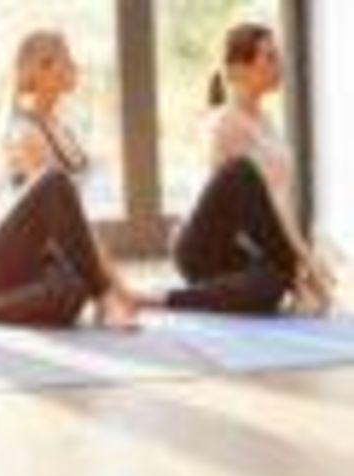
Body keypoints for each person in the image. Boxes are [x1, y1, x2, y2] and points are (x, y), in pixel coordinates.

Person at [0, 30, 137, 329]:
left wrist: (116, 286)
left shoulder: (60, 127)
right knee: (54, 180)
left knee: (72, 294)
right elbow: (64, 213)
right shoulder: (26, 132)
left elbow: (76, 226)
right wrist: (113, 289)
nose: (76, 67)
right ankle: (104, 297)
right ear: (41, 69)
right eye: (66, 60)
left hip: (39, 260)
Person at [136, 23, 334, 315]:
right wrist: (304, 262)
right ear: (240, 69)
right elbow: (232, 206)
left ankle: (168, 298)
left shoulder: (267, 122)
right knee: (242, 171)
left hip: (241, 247)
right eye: (269, 57)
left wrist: (299, 259)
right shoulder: (224, 124)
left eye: (278, 56)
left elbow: (280, 203)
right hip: (201, 246)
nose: (279, 65)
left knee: (272, 285)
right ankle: (156, 299)